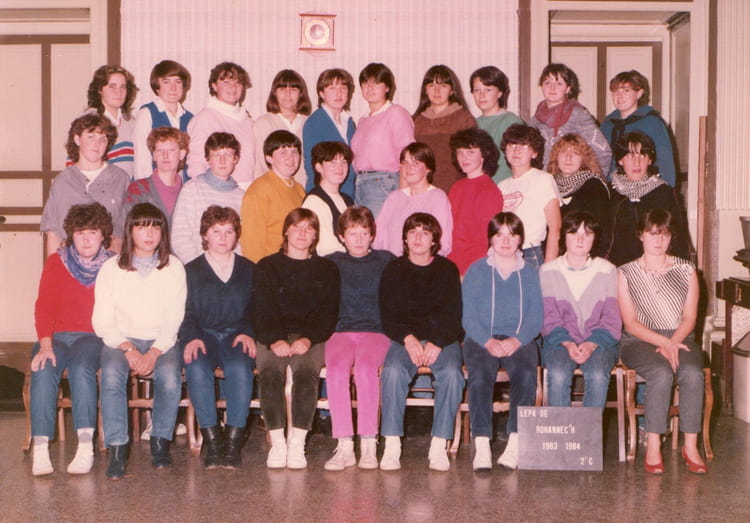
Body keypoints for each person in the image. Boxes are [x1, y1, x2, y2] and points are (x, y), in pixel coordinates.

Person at [93, 203, 186, 479]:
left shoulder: (174, 267)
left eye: (156, 227)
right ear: (130, 230)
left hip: (162, 340)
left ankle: (160, 441)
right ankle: (118, 448)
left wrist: (155, 352)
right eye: (142, 227)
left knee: (170, 376)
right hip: (121, 340)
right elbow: (102, 318)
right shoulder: (111, 268)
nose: (149, 234)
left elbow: (174, 317)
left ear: (163, 232)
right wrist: (128, 349)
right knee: (111, 374)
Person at [618, 209, 706, 475]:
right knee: (660, 372)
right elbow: (630, 323)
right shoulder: (626, 272)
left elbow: (690, 318)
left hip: (680, 337)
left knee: (692, 373)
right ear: (641, 235)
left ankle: (690, 445)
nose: (659, 240)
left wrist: (672, 342)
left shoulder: (686, 270)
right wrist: (663, 344)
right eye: (653, 233)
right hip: (639, 340)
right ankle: (654, 443)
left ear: (671, 237)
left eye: (665, 234)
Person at [30, 203, 115, 476]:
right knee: (43, 367)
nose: (86, 239)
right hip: (54, 337)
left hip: (91, 336)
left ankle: (85, 446)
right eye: (80, 233)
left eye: (92, 232)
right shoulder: (57, 261)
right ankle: (40, 448)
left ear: (103, 234)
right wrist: (45, 344)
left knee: (81, 368)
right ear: (71, 235)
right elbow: (44, 305)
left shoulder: (113, 264)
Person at [251, 208, 340, 469]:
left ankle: (297, 443)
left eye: (309, 228)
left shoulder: (327, 269)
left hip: (310, 336)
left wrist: (308, 339)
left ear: (315, 235)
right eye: (297, 227)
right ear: (286, 231)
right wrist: (274, 340)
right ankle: (278, 443)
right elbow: (259, 310)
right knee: (269, 372)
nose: (302, 233)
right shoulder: (266, 266)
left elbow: (328, 314)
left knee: (305, 373)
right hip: (273, 335)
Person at [379, 213, 464, 472]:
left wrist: (437, 342)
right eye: (412, 232)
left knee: (452, 374)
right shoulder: (393, 269)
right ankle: (392, 444)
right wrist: (408, 338)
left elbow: (454, 315)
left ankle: (439, 444)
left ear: (434, 240)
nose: (418, 238)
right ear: (404, 238)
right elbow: (388, 316)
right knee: (392, 371)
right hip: (406, 339)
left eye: (425, 233)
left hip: (442, 340)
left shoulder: (447, 269)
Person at [461, 212, 543, 471]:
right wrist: (487, 341)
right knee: (480, 376)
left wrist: (517, 340)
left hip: (518, 338)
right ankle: (482, 443)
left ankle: (516, 441)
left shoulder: (530, 273)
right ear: (490, 239)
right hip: (481, 338)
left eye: (512, 235)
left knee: (526, 374)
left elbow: (536, 316)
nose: (506, 241)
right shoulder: (476, 270)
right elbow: (468, 315)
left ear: (520, 239)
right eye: (499, 235)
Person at [181, 206, 256, 469]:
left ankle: (233, 441)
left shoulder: (249, 269)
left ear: (236, 235)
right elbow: (184, 310)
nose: (223, 237)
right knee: (196, 366)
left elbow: (256, 309)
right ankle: (213, 441)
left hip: (237, 335)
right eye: (216, 231)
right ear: (205, 235)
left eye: (229, 231)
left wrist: (248, 332)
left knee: (239, 367)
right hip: (204, 335)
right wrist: (191, 336)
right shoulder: (190, 270)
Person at [323, 206, 395, 470]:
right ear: (342, 236)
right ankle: (344, 445)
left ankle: (368, 443)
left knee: (365, 369)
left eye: (364, 233)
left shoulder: (386, 261)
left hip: (375, 331)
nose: (359, 239)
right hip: (341, 331)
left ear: (372, 235)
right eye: (352, 233)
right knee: (336, 370)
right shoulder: (331, 263)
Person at [540, 211, 621, 408]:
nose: (580, 239)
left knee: (597, 374)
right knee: (558, 374)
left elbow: (612, 319)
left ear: (595, 238)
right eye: (573, 232)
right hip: (559, 341)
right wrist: (568, 344)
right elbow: (548, 318)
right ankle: (561, 428)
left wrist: (592, 343)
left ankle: (590, 430)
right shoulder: (548, 271)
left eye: (587, 234)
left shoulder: (607, 270)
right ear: (564, 236)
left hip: (599, 341)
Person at [41, 113, 129, 255]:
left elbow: (128, 230)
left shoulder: (120, 179)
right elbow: (53, 234)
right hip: (69, 262)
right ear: (77, 139)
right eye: (91, 137)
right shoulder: (62, 182)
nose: (97, 143)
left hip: (110, 262)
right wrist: (52, 266)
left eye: (103, 139)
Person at [607, 131, 689, 266]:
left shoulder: (663, 192)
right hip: (616, 268)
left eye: (642, 156)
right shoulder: (609, 193)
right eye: (630, 156)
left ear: (650, 160)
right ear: (620, 160)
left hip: (656, 267)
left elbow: (678, 239)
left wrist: (680, 270)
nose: (637, 163)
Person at [350, 63, 415, 216]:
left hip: (383, 183)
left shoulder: (396, 113)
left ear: (387, 87)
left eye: (376, 83)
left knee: (379, 231)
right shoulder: (363, 120)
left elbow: (408, 156)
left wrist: (403, 194)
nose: (370, 88)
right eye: (366, 83)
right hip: (360, 184)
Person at [171, 132, 245, 264]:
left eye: (227, 154)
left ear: (235, 159)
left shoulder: (241, 196)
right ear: (208, 159)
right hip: (199, 268)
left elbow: (240, 241)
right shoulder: (192, 189)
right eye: (216, 155)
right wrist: (200, 268)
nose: (222, 161)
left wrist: (233, 268)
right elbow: (179, 237)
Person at [497, 124, 562, 267]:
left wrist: (548, 268)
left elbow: (555, 228)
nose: (516, 150)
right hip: (504, 253)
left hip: (530, 253)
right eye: (512, 145)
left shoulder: (543, 179)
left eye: (524, 146)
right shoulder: (501, 186)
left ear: (534, 153)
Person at [373, 142, 453, 256]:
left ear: (428, 168)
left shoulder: (438, 197)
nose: (409, 168)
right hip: (392, 263)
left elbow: (442, 243)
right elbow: (377, 238)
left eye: (415, 163)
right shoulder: (394, 197)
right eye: (405, 163)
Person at [529, 63, 611, 173]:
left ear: (567, 89)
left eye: (559, 83)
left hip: (570, 181)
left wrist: (594, 181)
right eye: (547, 82)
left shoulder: (578, 115)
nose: (552, 87)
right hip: (543, 181)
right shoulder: (535, 120)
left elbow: (603, 152)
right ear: (542, 86)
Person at [600, 70, 677, 187]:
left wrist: (667, 189)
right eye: (616, 91)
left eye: (626, 90)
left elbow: (665, 161)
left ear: (639, 93)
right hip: (613, 188)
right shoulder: (607, 125)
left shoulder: (652, 123)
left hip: (645, 187)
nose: (619, 96)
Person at [186, 62, 255, 188]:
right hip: (219, 189)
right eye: (226, 82)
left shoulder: (247, 121)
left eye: (238, 82)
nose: (233, 87)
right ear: (214, 86)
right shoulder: (205, 118)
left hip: (248, 190)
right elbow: (196, 165)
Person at [240, 130, 305, 262]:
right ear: (269, 158)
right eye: (283, 152)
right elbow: (251, 242)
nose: (291, 158)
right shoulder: (260, 190)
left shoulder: (299, 189)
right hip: (271, 267)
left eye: (294, 152)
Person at [447, 128, 504, 275]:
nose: (464, 158)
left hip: (473, 268)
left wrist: (468, 272)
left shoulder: (489, 190)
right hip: (452, 263)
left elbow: (484, 240)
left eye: (470, 152)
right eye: (460, 152)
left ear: (484, 155)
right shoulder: (456, 187)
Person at [412, 65, 476, 192]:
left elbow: (473, 160)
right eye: (431, 85)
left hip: (456, 189)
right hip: (423, 190)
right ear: (425, 90)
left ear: (452, 91)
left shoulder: (463, 119)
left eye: (443, 86)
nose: (437, 91)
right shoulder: (417, 121)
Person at [546, 133, 610, 256]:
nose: (568, 157)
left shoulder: (594, 186)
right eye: (563, 152)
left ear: (584, 159)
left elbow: (602, 231)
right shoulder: (549, 185)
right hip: (554, 258)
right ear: (556, 157)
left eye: (575, 153)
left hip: (585, 257)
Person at [134, 60, 193, 180]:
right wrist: (146, 188)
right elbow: (141, 159)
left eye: (178, 82)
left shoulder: (190, 118)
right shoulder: (147, 114)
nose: (173, 88)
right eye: (166, 82)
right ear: (157, 87)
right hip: (154, 185)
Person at [302, 68, 356, 199]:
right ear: (321, 93)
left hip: (348, 192)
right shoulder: (315, 122)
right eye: (332, 88)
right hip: (325, 194)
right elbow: (312, 166)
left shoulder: (349, 122)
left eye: (343, 88)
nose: (339, 93)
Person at [254, 69, 312, 185]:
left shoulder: (309, 122)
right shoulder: (264, 122)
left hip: (304, 188)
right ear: (274, 93)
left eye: (293, 89)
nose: (287, 94)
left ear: (301, 93)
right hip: (274, 187)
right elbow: (261, 164)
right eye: (282, 89)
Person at [469, 66, 524, 183]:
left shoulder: (511, 122)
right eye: (477, 90)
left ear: (499, 92)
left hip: (504, 187)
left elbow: (522, 165)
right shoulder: (471, 123)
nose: (482, 95)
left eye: (488, 90)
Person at [82, 65, 139, 179]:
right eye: (112, 86)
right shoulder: (89, 120)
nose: (119, 92)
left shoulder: (130, 120)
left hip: (129, 187)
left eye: (123, 87)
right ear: (99, 90)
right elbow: (76, 163)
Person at [125, 126, 189, 226]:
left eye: (171, 150)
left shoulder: (188, 193)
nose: (165, 155)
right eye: (160, 150)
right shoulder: (138, 189)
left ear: (182, 154)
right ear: (154, 155)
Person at [302, 141, 355, 256]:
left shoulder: (348, 200)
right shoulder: (314, 201)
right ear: (318, 167)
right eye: (333, 162)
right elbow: (326, 249)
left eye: (344, 162)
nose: (340, 167)